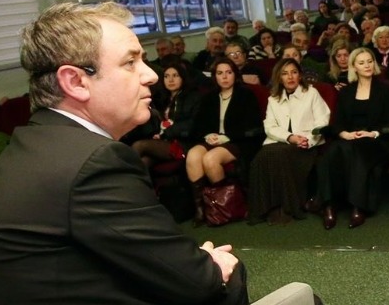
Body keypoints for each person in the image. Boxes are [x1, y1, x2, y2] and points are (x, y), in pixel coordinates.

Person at [0, 2, 247, 305]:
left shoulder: (33, 145)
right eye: (131, 62)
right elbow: (196, 283)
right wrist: (210, 267)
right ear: (76, 82)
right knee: (252, 286)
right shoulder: (93, 162)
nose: (150, 75)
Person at [315, 46, 389, 229]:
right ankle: (329, 205)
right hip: (350, 137)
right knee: (332, 151)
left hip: (376, 139)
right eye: (361, 63)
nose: (367, 65)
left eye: (370, 61)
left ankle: (357, 206)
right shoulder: (346, 91)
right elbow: (337, 122)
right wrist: (344, 133)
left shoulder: (385, 89)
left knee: (358, 151)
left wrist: (373, 133)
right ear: (354, 67)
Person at [247, 58, 329, 225]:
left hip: (306, 145)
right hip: (280, 142)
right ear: (279, 77)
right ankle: (265, 209)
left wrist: (308, 140)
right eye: (285, 73)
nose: (290, 77)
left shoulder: (311, 93)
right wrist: (289, 138)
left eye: (294, 72)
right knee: (260, 158)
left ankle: (286, 208)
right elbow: (269, 126)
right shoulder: (273, 99)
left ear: (300, 75)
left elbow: (323, 121)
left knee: (278, 154)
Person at [184, 58, 264, 217]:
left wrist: (226, 137)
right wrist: (208, 135)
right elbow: (198, 126)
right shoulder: (209, 97)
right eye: (220, 73)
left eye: (229, 72)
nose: (225, 77)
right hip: (213, 140)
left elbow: (253, 126)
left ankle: (226, 205)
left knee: (210, 159)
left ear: (235, 74)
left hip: (238, 141)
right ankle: (202, 208)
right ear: (215, 76)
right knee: (193, 156)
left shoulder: (245, 95)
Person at [128, 63, 201, 172]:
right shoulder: (162, 99)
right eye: (166, 76)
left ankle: (121, 178)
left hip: (183, 143)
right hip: (164, 142)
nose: (170, 80)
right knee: (144, 162)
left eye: (175, 76)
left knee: (139, 145)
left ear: (183, 78)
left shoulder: (193, 97)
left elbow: (192, 124)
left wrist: (166, 132)